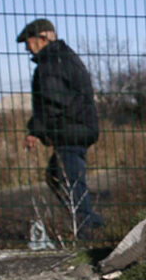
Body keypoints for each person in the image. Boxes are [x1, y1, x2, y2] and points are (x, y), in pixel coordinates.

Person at [17, 18, 103, 238]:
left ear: (42, 37)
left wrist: (36, 131)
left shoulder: (52, 63)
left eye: (29, 41)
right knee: (58, 175)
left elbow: (51, 102)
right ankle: (90, 222)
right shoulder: (62, 57)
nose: (27, 47)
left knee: (69, 180)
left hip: (71, 130)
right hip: (78, 127)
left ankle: (85, 230)